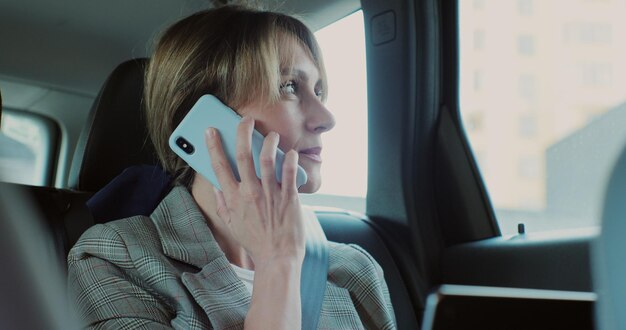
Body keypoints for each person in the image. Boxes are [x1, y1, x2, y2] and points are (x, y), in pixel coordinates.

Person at [68, 5, 396, 329]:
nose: (327, 118)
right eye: (290, 87)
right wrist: (277, 264)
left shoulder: (354, 270)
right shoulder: (114, 258)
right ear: (202, 116)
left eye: (319, 90)